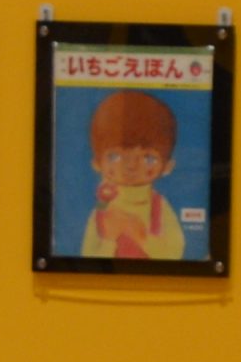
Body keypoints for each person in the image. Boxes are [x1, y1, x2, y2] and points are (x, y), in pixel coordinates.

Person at [80, 90, 188, 259]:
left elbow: (175, 253)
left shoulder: (159, 207)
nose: (131, 166)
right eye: (115, 156)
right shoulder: (102, 208)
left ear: (167, 167)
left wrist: (141, 236)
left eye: (148, 158)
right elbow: (88, 255)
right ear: (97, 163)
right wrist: (109, 240)